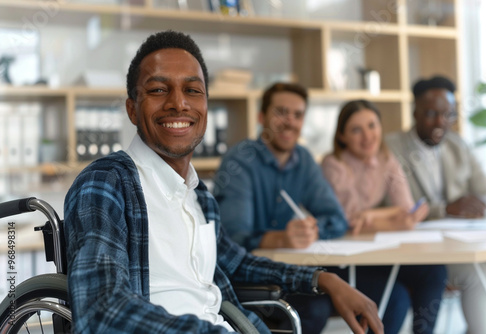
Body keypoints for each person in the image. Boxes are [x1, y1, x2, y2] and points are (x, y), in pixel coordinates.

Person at [63, 30, 383, 334]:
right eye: (159, 89)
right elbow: (101, 310)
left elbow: (237, 262)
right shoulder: (106, 183)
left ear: (205, 106)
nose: (179, 103)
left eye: (192, 90)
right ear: (132, 109)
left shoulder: (199, 195)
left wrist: (323, 280)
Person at [214, 82, 416, 334]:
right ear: (261, 117)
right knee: (315, 307)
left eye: (297, 115)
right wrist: (279, 238)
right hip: (255, 277)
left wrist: (310, 230)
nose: (290, 121)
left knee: (395, 296)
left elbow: (337, 220)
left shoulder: (304, 160)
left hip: (296, 270)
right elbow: (233, 240)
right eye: (281, 112)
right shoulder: (240, 161)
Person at [321, 99, 447, 334]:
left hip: (373, 255)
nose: (367, 136)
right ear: (342, 136)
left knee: (434, 270)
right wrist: (390, 217)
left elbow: (407, 212)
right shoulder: (334, 165)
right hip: (342, 260)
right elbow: (348, 223)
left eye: (372, 126)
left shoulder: (386, 160)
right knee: (396, 298)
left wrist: (371, 216)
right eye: (356, 129)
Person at [386, 75, 486, 334]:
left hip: (459, 247)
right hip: (417, 256)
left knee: (483, 270)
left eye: (449, 114)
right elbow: (395, 211)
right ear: (414, 112)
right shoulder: (392, 148)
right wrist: (447, 209)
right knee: (476, 273)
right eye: (431, 113)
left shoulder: (457, 146)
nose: (441, 122)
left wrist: (478, 205)